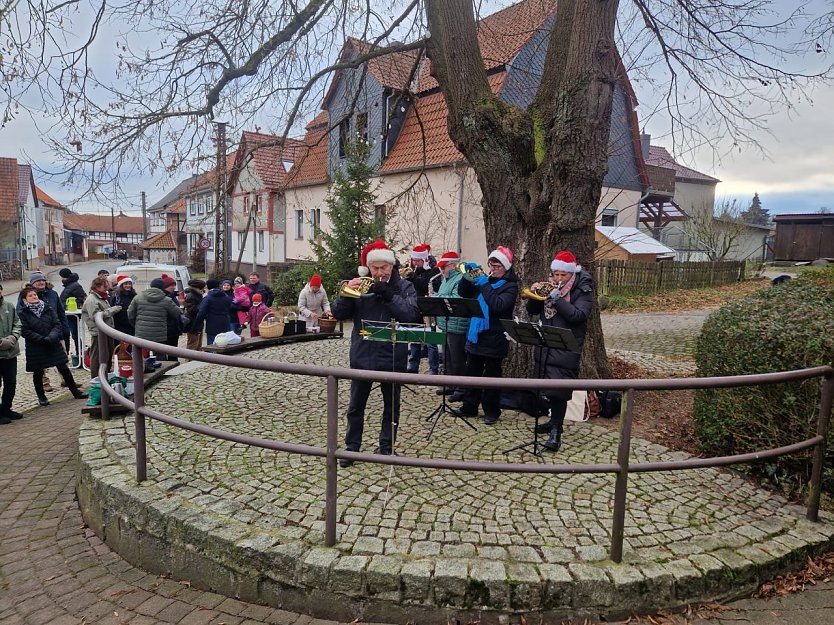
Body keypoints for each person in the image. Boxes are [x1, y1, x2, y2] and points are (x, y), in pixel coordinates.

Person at [331, 239, 420, 466]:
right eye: (375, 268)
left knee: (391, 406)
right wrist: (346, 294)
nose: (379, 273)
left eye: (383, 268)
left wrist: (389, 295)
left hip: (391, 355)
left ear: (391, 267)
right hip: (363, 353)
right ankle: (352, 448)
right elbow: (339, 313)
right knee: (355, 405)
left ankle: (386, 448)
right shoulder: (361, 284)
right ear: (368, 268)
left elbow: (410, 316)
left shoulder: (404, 287)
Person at [525, 250, 593, 451]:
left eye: (563, 275)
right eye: (555, 274)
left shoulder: (583, 288)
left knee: (560, 390)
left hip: (567, 345)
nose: (558, 278)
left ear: (572, 274)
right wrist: (535, 295)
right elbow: (532, 312)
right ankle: (552, 421)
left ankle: (557, 430)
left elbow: (578, 315)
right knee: (545, 384)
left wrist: (557, 298)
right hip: (546, 342)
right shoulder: (551, 284)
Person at [454, 246, 519, 425]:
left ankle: (491, 411)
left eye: (497, 266)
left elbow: (497, 305)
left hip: (496, 337)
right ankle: (469, 406)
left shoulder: (510, 286)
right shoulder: (485, 280)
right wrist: (467, 278)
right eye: (492, 265)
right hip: (477, 335)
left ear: (505, 267)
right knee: (472, 373)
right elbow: (463, 294)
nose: (493, 269)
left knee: (492, 377)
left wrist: (483, 283)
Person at [18, 287, 88, 406]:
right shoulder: (22, 313)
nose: (34, 297)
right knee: (38, 372)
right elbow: (25, 330)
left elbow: (57, 324)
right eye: (30, 296)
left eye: (35, 295)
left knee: (63, 368)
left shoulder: (47, 308)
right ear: (24, 300)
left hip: (52, 342)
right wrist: (41, 339)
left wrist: (51, 337)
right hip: (36, 346)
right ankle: (42, 397)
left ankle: (75, 392)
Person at [19, 271, 70, 393]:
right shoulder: (27, 296)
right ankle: (45, 382)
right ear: (32, 284)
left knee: (62, 359)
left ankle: (66, 380)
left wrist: (64, 328)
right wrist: (39, 337)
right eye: (37, 281)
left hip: (56, 332)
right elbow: (21, 317)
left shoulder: (52, 294)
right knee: (41, 364)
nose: (41, 282)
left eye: (42, 280)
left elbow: (60, 312)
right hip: (38, 337)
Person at [431, 251, 469, 400]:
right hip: (446, 324)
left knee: (458, 359)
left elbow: (456, 299)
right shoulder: (446, 279)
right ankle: (450, 385)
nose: (441, 270)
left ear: (453, 265)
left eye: (444, 267)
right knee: (448, 358)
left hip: (457, 325)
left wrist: (436, 297)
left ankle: (460, 389)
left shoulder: (459, 279)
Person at [127, 278, 183, 365]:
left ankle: (140, 374)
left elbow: (130, 314)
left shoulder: (138, 298)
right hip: (159, 334)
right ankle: (162, 376)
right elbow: (176, 313)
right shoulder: (166, 300)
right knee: (160, 357)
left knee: (141, 355)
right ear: (163, 287)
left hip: (141, 333)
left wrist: (136, 325)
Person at [405, 243, 441, 375]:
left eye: (418, 260)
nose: (415, 263)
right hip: (414, 308)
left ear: (424, 259)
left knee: (430, 341)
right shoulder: (413, 271)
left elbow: (428, 286)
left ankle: (433, 368)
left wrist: (414, 278)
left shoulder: (433, 271)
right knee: (414, 338)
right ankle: (413, 365)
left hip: (428, 309)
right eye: (414, 260)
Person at [82, 276, 123, 380]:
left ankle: (105, 376)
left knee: (107, 355)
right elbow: (96, 316)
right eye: (104, 286)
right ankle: (97, 379)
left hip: (106, 331)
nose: (106, 288)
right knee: (98, 357)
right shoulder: (92, 300)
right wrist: (114, 309)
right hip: (98, 332)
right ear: (97, 287)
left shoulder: (101, 297)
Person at [0, 283, 23, 424]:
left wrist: (13, 337)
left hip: (10, 352)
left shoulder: (9, 306)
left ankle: (6, 409)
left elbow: (17, 323)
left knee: (11, 382)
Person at [193, 278, 234, 345]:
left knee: (212, 345)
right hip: (225, 323)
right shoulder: (226, 297)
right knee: (224, 344)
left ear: (208, 287)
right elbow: (229, 307)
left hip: (212, 325)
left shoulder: (208, 298)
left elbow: (201, 312)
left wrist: (196, 326)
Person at [58, 268, 87, 362]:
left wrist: (71, 307)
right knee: (69, 335)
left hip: (72, 315)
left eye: (61, 277)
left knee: (74, 335)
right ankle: (74, 354)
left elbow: (82, 298)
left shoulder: (75, 286)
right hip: (68, 315)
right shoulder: (71, 285)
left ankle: (79, 354)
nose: (61, 279)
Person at [160, 274, 182, 359]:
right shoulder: (165, 297)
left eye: (174, 285)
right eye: (171, 285)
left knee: (173, 351)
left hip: (174, 328)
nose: (173, 287)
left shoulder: (172, 296)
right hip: (167, 328)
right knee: (167, 352)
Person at [183, 279, 206, 351]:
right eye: (203, 287)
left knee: (198, 344)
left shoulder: (198, 294)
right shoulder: (191, 296)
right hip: (192, 323)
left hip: (198, 322)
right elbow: (191, 310)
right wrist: (203, 306)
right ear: (199, 287)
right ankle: (189, 360)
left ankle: (196, 360)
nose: (204, 289)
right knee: (192, 344)